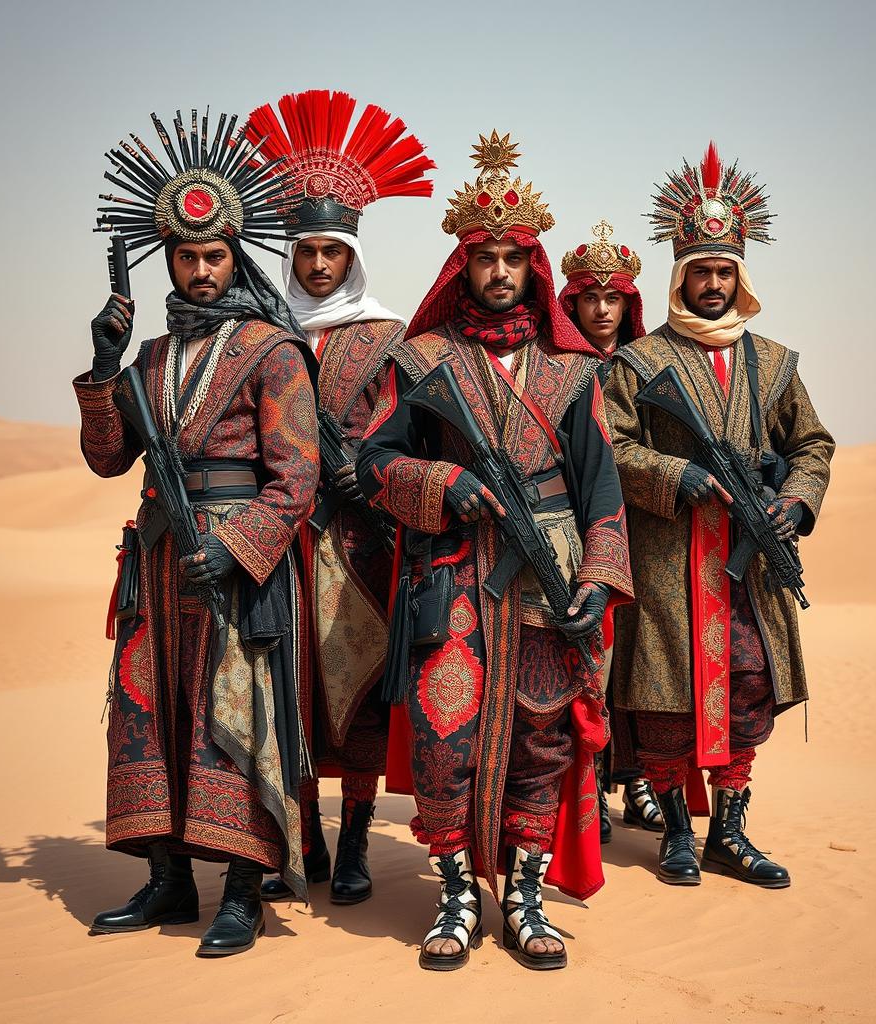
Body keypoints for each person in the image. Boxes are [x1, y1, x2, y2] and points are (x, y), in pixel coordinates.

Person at [356, 132, 633, 971]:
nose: (502, 271)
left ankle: (523, 893)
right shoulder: (423, 360)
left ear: (535, 266)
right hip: (454, 582)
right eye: (487, 257)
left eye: (516, 257)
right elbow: (371, 460)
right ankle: (455, 891)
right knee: (449, 739)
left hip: (548, 588)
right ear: (464, 266)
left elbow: (602, 490)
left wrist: (601, 576)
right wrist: (442, 483)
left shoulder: (574, 370)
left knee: (540, 743)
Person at [79, 108, 319, 956]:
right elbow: (108, 459)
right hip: (156, 562)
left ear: (235, 255)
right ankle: (168, 879)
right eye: (187, 257)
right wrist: (105, 369)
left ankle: (243, 889)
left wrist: (236, 546)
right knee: (152, 715)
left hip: (238, 567)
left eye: (215, 255)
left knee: (234, 716)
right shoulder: (146, 358)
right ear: (169, 259)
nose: (202, 269)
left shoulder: (274, 351)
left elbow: (297, 480)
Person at [604, 142, 834, 888]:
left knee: (744, 693)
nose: (711, 283)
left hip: (750, 569)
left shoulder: (776, 362)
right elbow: (611, 447)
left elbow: (813, 443)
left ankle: (729, 836)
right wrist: (681, 475)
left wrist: (795, 501)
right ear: (680, 274)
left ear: (741, 275)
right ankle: (675, 831)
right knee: (667, 701)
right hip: (671, 562)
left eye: (724, 271)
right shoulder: (638, 363)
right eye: (700, 270)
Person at [246, 89, 434, 906]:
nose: (318, 265)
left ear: (353, 256)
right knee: (287, 687)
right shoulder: (258, 330)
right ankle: (307, 836)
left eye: (332, 252)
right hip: (280, 541)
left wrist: (373, 472)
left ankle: (356, 838)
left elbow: (414, 433)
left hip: (363, 542)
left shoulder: (390, 338)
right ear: (288, 256)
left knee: (355, 692)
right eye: (305, 252)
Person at [558, 221, 664, 841]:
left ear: (630, 303)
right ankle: (588, 785)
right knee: (588, 659)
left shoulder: (650, 369)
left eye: (614, 297)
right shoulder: (559, 365)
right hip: (578, 530)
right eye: (590, 298)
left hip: (646, 534)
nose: (602, 310)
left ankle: (642, 779)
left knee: (641, 663)